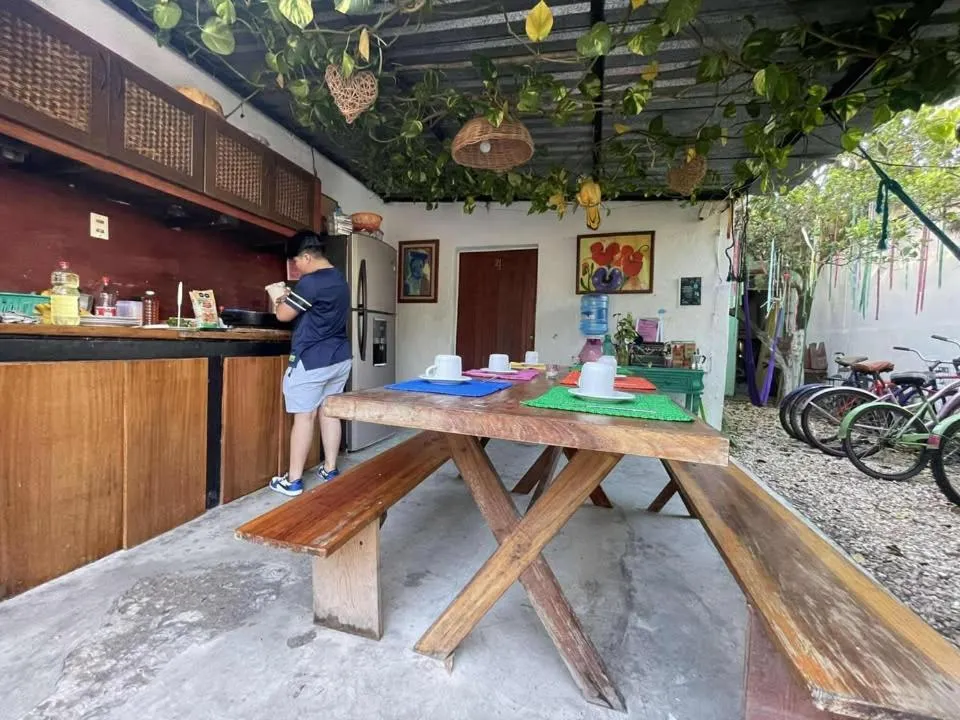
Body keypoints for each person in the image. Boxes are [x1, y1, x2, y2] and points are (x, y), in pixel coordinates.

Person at [270, 231, 352, 497]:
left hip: (312, 358)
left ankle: (292, 481)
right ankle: (329, 469)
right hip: (339, 357)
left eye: (296, 261)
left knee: (305, 417)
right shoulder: (338, 278)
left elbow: (283, 316)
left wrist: (279, 296)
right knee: (329, 412)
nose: (296, 267)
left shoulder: (311, 283)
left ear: (306, 256)